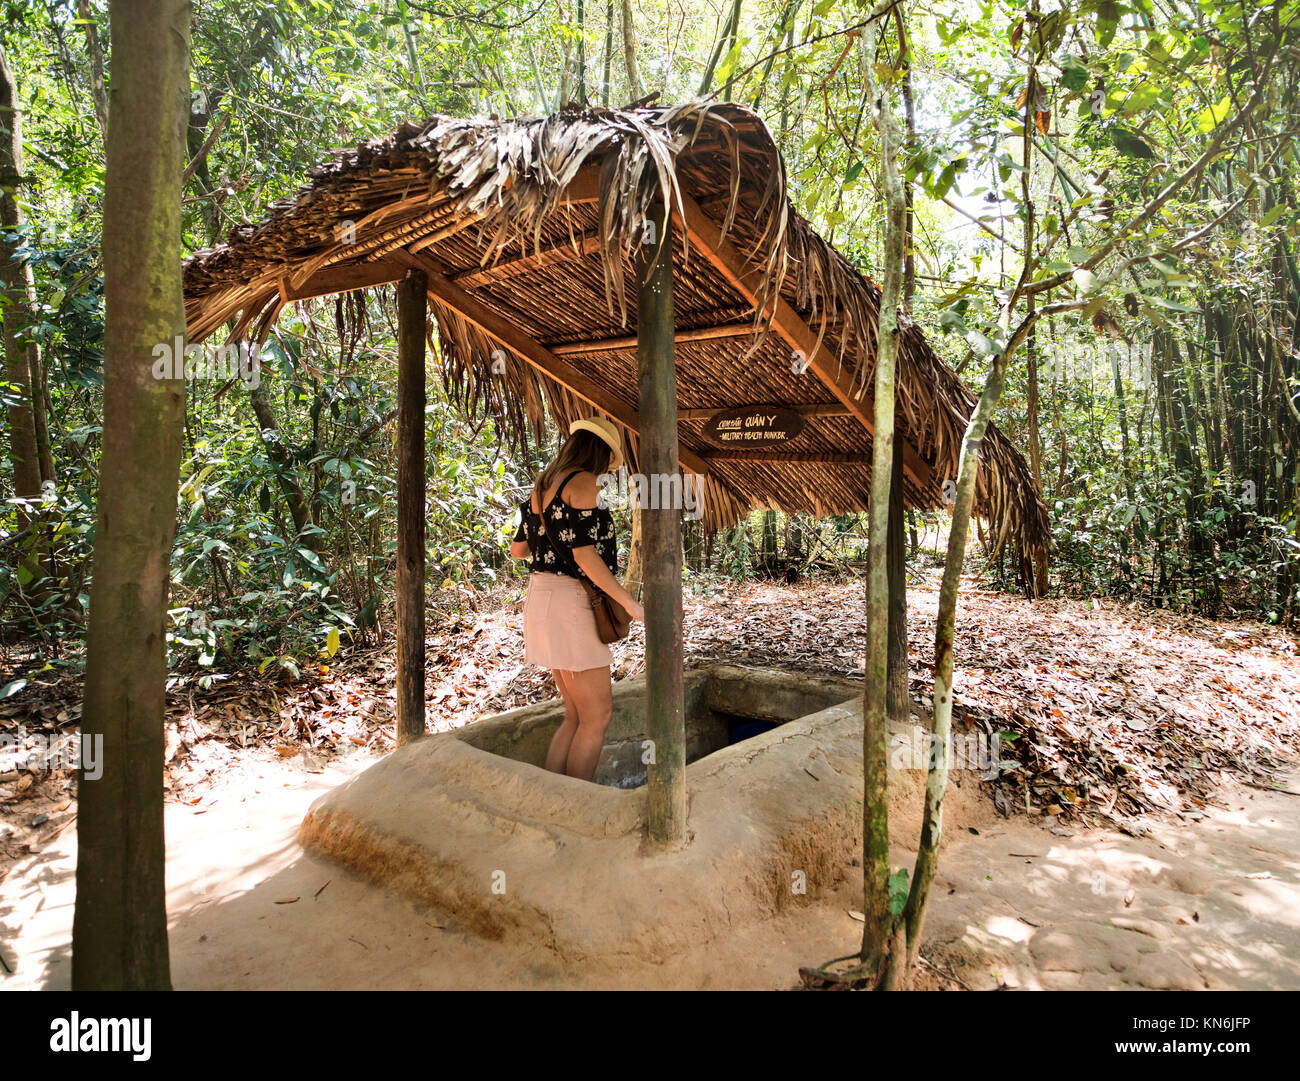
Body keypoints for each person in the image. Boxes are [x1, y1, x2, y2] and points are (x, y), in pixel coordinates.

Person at [509, 416, 645, 782]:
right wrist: (629, 604)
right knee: (596, 717)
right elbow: (585, 557)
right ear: (599, 453)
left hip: (541, 598)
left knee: (575, 716)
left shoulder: (542, 487)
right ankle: (576, 801)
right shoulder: (583, 483)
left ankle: (554, 798)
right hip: (570, 601)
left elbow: (517, 550)